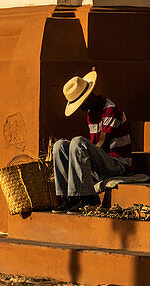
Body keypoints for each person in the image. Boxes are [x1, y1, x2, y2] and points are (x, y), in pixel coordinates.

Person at [52, 69, 133, 212]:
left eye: (80, 104)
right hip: (101, 164)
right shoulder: (90, 113)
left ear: (88, 97)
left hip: (117, 164)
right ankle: (68, 197)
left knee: (77, 142)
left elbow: (100, 144)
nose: (80, 109)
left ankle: (87, 196)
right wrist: (70, 147)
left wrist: (76, 147)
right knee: (59, 146)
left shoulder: (110, 110)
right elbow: (92, 146)